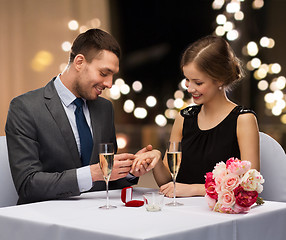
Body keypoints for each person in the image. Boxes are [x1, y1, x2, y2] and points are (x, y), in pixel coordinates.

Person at [5, 28, 151, 205]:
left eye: (112, 76)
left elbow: (107, 181)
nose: (109, 84)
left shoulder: (105, 108)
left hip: (99, 216)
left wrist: (129, 171)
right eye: (104, 73)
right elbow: (28, 185)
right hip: (46, 220)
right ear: (79, 62)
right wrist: (93, 173)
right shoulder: (25, 107)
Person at [133, 35, 260, 198]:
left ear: (220, 79)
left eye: (198, 82)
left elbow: (250, 184)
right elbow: (167, 183)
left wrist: (194, 189)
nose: (190, 88)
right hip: (182, 213)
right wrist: (156, 160)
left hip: (221, 217)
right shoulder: (184, 118)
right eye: (187, 80)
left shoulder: (243, 120)